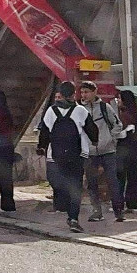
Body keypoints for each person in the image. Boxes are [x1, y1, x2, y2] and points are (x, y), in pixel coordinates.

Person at [36, 81, 99, 232]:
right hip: (77, 155)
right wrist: (95, 141)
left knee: (59, 182)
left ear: (60, 94)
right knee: (75, 186)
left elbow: (44, 132)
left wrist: (41, 147)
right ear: (73, 94)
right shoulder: (80, 111)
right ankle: (73, 218)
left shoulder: (51, 111)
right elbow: (92, 131)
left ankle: (62, 205)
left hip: (56, 156)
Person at [79, 82, 124, 222]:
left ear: (94, 92)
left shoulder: (105, 107)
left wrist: (111, 138)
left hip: (107, 150)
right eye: (82, 92)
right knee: (92, 183)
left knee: (112, 181)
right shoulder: (79, 109)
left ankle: (118, 211)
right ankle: (97, 211)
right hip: (89, 152)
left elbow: (117, 124)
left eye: (87, 92)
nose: (84, 95)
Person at [117, 89, 137, 213]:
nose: (117, 101)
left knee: (121, 179)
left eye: (119, 98)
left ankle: (120, 204)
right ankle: (132, 204)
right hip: (134, 151)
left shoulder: (125, 115)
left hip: (125, 151)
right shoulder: (135, 114)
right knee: (133, 178)